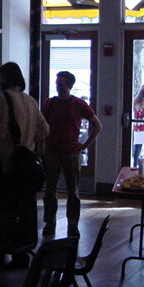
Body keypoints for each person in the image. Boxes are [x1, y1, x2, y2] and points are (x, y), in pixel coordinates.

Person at [0, 63, 49, 259]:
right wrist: (30, 142)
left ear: (4, 78)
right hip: (28, 163)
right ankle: (22, 252)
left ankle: (0, 252)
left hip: (9, 163)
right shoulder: (30, 100)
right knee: (25, 209)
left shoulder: (2, 98)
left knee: (3, 210)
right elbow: (45, 130)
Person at [42, 71, 102, 238]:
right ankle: (51, 223)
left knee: (72, 192)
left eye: (61, 84)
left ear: (69, 85)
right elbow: (42, 125)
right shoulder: (50, 103)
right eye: (57, 84)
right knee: (50, 191)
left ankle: (72, 225)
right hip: (53, 151)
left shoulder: (78, 104)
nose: (58, 87)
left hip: (70, 153)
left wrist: (85, 145)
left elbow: (97, 125)